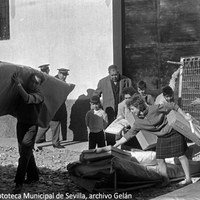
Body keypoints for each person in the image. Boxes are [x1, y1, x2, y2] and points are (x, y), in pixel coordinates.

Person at [114, 94, 192, 187]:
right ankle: (165, 180)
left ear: (139, 106)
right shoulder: (138, 122)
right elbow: (129, 134)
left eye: (132, 109)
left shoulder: (155, 108)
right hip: (162, 137)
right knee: (159, 159)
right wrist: (116, 145)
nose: (131, 111)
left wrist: (185, 116)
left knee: (181, 155)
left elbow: (173, 105)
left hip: (173, 132)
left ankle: (188, 179)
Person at [12, 71, 45, 193]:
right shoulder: (24, 89)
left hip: (31, 127)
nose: (33, 84)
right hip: (21, 124)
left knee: (24, 155)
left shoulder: (40, 95)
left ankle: (18, 183)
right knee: (25, 150)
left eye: (36, 82)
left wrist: (18, 84)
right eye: (32, 81)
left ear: (39, 84)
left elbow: (27, 99)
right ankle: (33, 176)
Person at [94, 65, 132, 145]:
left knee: (125, 125)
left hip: (122, 109)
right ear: (109, 74)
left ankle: (126, 145)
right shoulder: (102, 82)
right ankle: (110, 146)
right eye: (112, 75)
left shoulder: (126, 80)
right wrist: (96, 104)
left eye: (116, 75)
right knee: (110, 127)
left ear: (118, 73)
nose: (114, 77)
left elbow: (132, 93)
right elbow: (96, 94)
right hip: (109, 109)